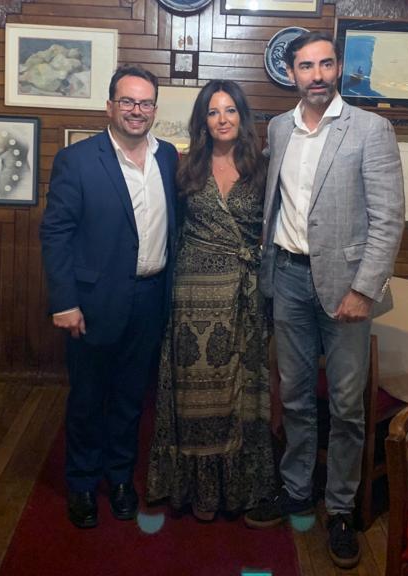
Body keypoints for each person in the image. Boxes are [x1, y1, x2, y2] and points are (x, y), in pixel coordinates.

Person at [244, 31, 404, 569]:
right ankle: (295, 490)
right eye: (306, 66)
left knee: (345, 404)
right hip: (286, 276)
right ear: (291, 73)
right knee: (292, 396)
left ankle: (339, 509)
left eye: (325, 64)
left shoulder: (371, 130)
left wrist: (364, 289)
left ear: (339, 70)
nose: (316, 75)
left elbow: (388, 219)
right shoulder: (279, 128)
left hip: (345, 288)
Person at [41, 65, 178, 529]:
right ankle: (81, 483)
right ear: (110, 106)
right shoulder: (78, 160)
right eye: (127, 101)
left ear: (154, 109)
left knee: (129, 399)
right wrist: (64, 301)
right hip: (93, 303)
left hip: (151, 298)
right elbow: (56, 232)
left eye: (145, 103)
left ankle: (120, 478)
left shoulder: (168, 158)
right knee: (87, 398)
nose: (136, 111)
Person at [146, 80, 273, 521]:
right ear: (203, 120)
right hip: (193, 296)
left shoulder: (263, 167)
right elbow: (171, 227)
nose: (223, 119)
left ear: (242, 116)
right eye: (213, 112)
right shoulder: (185, 167)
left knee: (242, 392)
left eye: (230, 110)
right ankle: (194, 489)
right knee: (193, 393)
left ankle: (238, 488)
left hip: (245, 294)